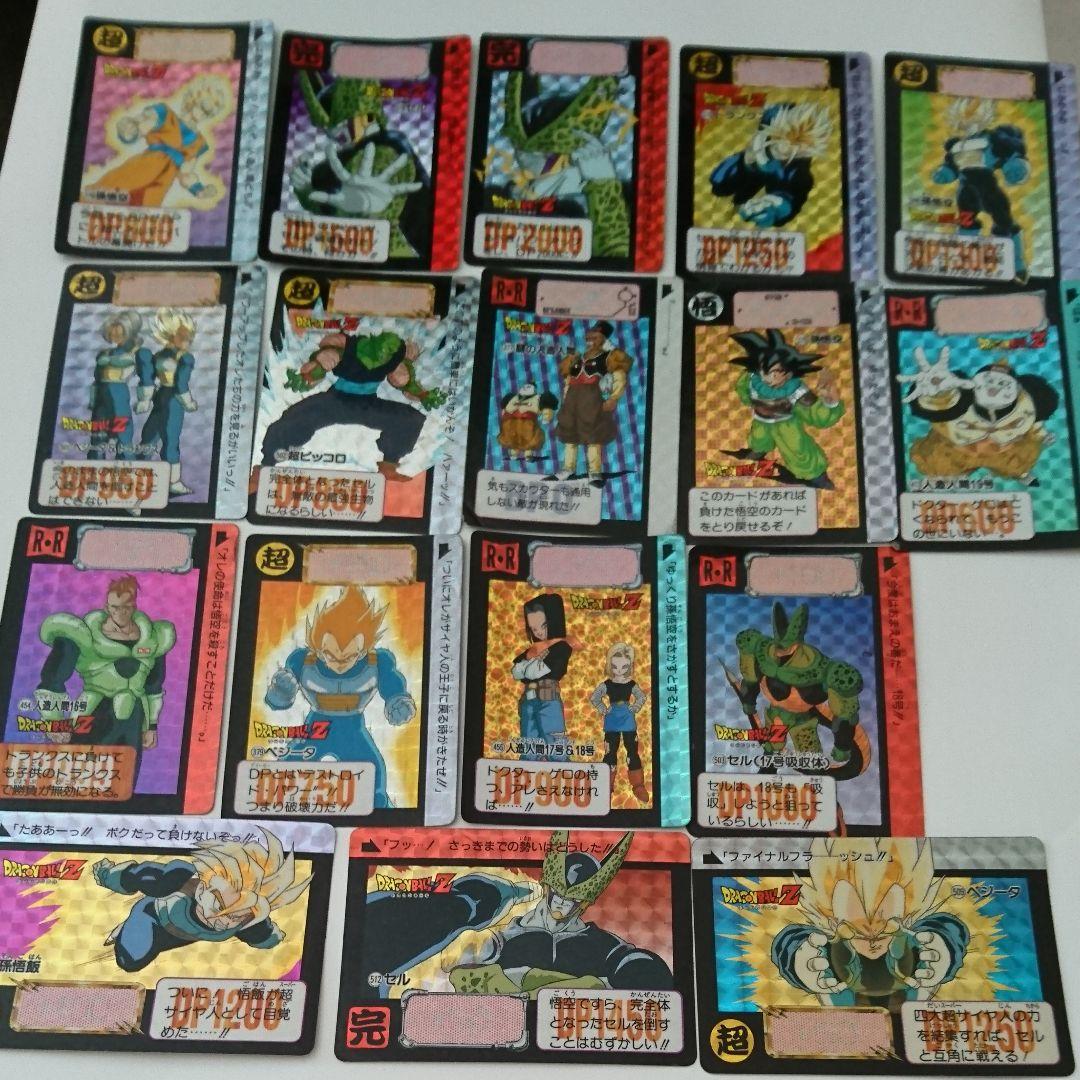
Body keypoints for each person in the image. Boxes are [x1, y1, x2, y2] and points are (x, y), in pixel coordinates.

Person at [264, 586, 415, 808]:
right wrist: (280, 692)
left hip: (353, 729)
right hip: (315, 728)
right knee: (287, 775)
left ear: (363, 651)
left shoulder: (378, 662)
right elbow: (278, 702)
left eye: (350, 656)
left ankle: (381, 814)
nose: (340, 664)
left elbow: (393, 689)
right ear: (318, 647)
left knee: (372, 775)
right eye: (330, 655)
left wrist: (399, 704)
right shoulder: (302, 661)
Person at [93, 829, 311, 972]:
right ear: (202, 889)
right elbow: (134, 876)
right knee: (130, 961)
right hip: (153, 917)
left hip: (185, 937)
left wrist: (273, 939)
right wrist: (106, 874)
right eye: (220, 907)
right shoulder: (176, 879)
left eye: (237, 917)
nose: (225, 922)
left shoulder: (248, 920)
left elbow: (263, 935)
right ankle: (128, 926)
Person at [36, 575, 175, 755]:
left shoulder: (154, 638)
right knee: (84, 768)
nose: (121, 613)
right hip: (95, 710)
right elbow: (53, 678)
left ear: (134, 606)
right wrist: (53, 721)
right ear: (107, 607)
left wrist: (151, 726)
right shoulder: (84, 634)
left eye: (126, 607)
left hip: (134, 716)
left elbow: (153, 685)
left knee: (126, 770)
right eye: (115, 607)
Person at [725, 328, 843, 489]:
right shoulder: (752, 379)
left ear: (788, 373)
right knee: (759, 437)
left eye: (776, 372)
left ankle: (817, 476)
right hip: (761, 419)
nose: (769, 378)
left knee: (797, 450)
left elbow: (817, 415)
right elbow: (743, 390)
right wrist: (748, 399)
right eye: (765, 371)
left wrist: (830, 402)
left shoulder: (796, 391)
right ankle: (759, 450)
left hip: (786, 424)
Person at [88, 75, 230, 207]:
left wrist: (199, 190)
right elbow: (139, 126)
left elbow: (186, 171)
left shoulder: (198, 142)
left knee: (143, 213)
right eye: (204, 107)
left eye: (209, 112)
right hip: (143, 167)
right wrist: (129, 128)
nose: (204, 114)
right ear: (193, 99)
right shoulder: (165, 114)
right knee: (110, 192)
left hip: (160, 185)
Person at [553, 321, 633, 488]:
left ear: (603, 339)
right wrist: (565, 399)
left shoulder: (609, 357)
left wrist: (613, 398)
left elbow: (619, 378)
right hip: (572, 400)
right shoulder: (575, 358)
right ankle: (568, 469)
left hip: (592, 399)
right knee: (570, 434)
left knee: (593, 436)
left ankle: (594, 472)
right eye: (589, 338)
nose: (590, 341)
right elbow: (568, 381)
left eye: (595, 338)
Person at [137, 308, 197, 496]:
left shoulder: (170, 356)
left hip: (164, 397)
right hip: (170, 399)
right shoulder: (178, 357)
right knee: (159, 438)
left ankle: (164, 480)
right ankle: (168, 481)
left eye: (189, 337)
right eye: (184, 336)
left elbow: (149, 378)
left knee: (155, 438)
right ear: (172, 334)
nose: (188, 341)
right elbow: (180, 384)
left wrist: (145, 398)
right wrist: (188, 403)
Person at [511, 593, 578, 761]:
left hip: (549, 699)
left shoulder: (561, 647)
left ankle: (563, 773)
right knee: (529, 746)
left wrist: (528, 665)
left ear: (554, 622)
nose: (538, 632)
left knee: (555, 746)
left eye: (543, 626)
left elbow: (533, 672)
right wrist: (529, 664)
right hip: (528, 701)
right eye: (534, 629)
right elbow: (516, 672)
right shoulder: (533, 649)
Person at [589, 642, 648, 801]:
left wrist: (635, 707)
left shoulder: (631, 684)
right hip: (612, 719)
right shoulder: (607, 684)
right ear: (610, 665)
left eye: (624, 666)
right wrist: (603, 708)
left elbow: (641, 697)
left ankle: (638, 785)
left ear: (630, 665)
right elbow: (594, 697)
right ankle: (605, 785)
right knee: (610, 752)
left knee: (632, 751)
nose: (619, 670)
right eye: (615, 666)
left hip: (627, 718)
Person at [87, 310, 148, 460]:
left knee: (122, 431)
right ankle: (95, 464)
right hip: (101, 395)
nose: (115, 335)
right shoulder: (106, 353)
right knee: (98, 434)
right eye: (112, 332)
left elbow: (146, 376)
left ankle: (126, 463)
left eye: (119, 332)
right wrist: (93, 399)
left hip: (118, 392)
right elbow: (97, 378)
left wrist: (145, 398)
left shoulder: (137, 352)